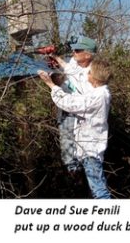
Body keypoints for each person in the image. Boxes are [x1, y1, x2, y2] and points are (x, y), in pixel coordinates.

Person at [38, 58, 112, 199]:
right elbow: (76, 76)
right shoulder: (100, 92)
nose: (87, 74)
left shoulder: (98, 96)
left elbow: (70, 103)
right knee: (97, 187)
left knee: (99, 190)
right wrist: (59, 61)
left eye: (89, 72)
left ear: (95, 75)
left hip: (91, 149)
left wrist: (50, 84)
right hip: (90, 147)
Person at [51, 36, 97, 173]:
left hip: (80, 116)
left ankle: (82, 178)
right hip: (66, 114)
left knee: (85, 153)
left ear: (88, 54)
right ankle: (74, 176)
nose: (73, 52)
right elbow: (65, 74)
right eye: (73, 49)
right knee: (68, 152)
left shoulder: (93, 72)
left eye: (77, 50)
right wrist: (54, 62)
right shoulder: (72, 62)